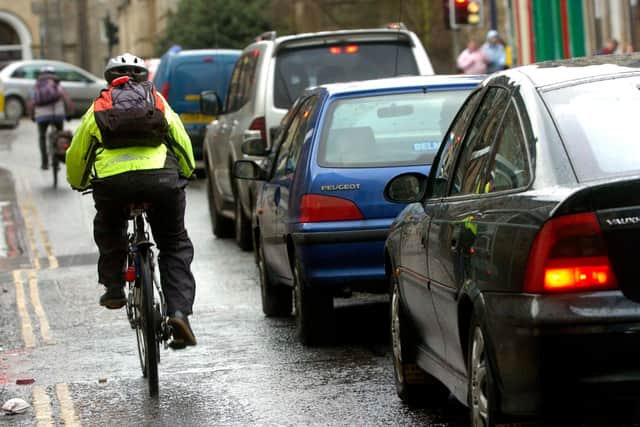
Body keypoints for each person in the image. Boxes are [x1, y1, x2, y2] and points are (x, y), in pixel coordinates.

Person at [65, 53, 197, 349]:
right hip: (162, 179)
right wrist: (186, 171)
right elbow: (180, 139)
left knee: (109, 228)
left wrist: (78, 181)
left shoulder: (100, 106)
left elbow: (77, 154)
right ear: (144, 78)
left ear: (109, 80)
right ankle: (178, 314)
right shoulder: (157, 101)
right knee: (174, 243)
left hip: (114, 184)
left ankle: (113, 288)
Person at [29, 66, 73, 170]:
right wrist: (69, 113)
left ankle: (44, 163)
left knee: (42, 137)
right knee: (60, 135)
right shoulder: (57, 85)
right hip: (57, 115)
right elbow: (67, 100)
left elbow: (31, 103)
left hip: (41, 116)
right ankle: (59, 158)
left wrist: (32, 116)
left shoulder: (37, 86)